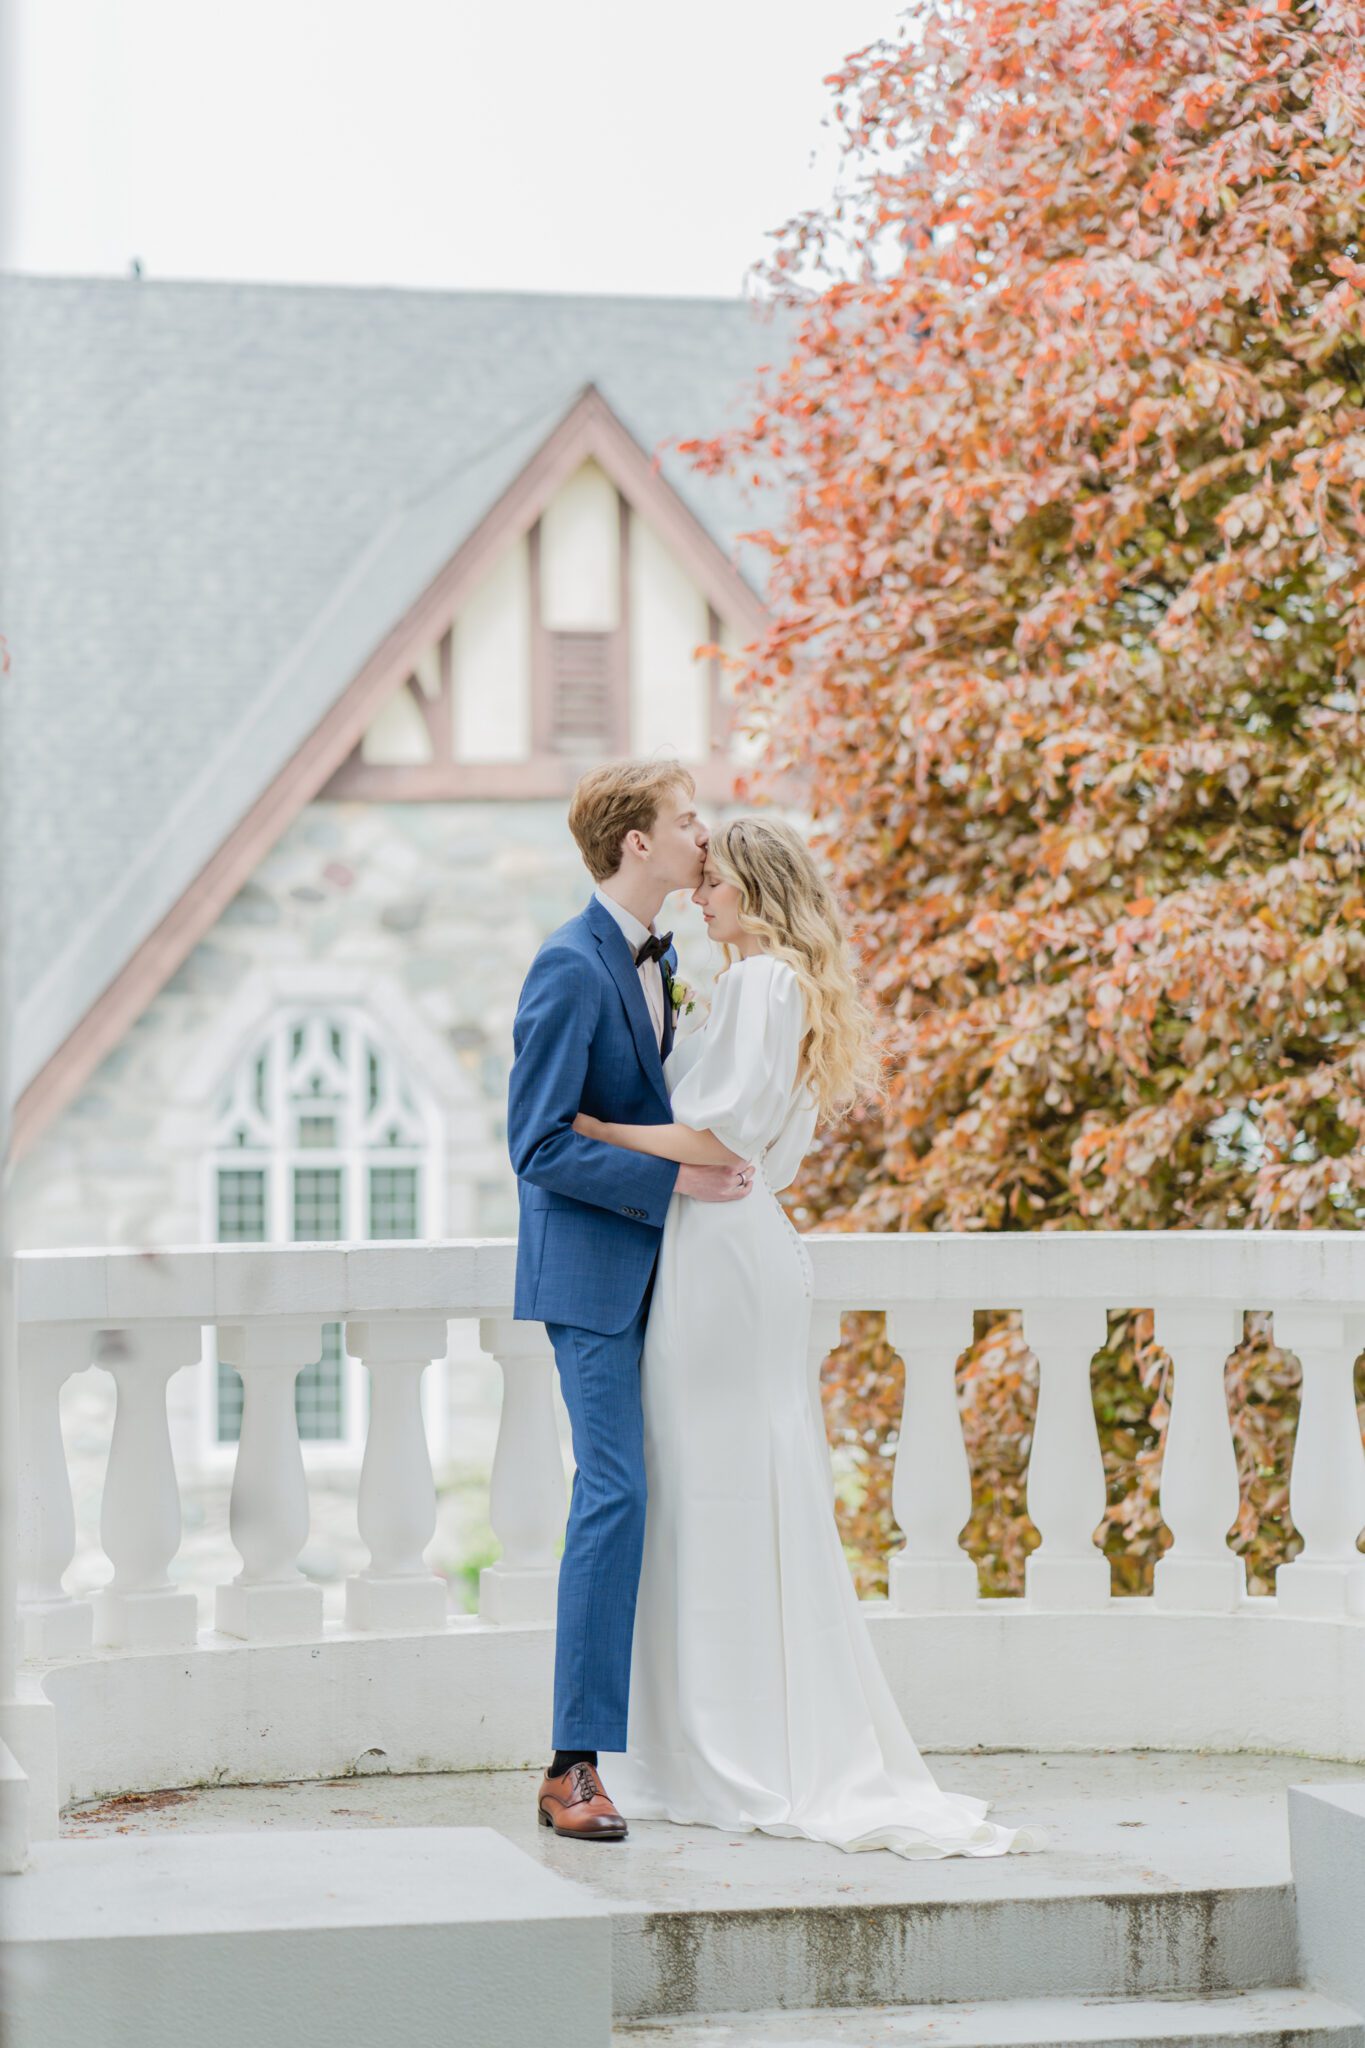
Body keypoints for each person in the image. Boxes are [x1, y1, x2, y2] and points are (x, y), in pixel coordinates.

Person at [576, 813, 1048, 1859]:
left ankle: (729, 1744)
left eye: (721, 887)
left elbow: (718, 1134)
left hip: (719, 1249)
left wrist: (601, 1130)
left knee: (714, 1484)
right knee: (736, 1479)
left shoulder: (758, 982)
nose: (705, 898)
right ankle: (737, 1733)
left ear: (759, 890)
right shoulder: (781, 984)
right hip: (738, 1242)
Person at [506, 759, 748, 1843]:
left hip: (672, 1276)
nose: (705, 832)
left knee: (680, 1493)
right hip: (596, 1282)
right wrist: (673, 1178)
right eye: (686, 819)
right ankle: (572, 1765)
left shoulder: (666, 956)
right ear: (637, 844)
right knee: (613, 1496)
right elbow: (539, 1141)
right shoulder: (566, 965)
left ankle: (682, 1739)